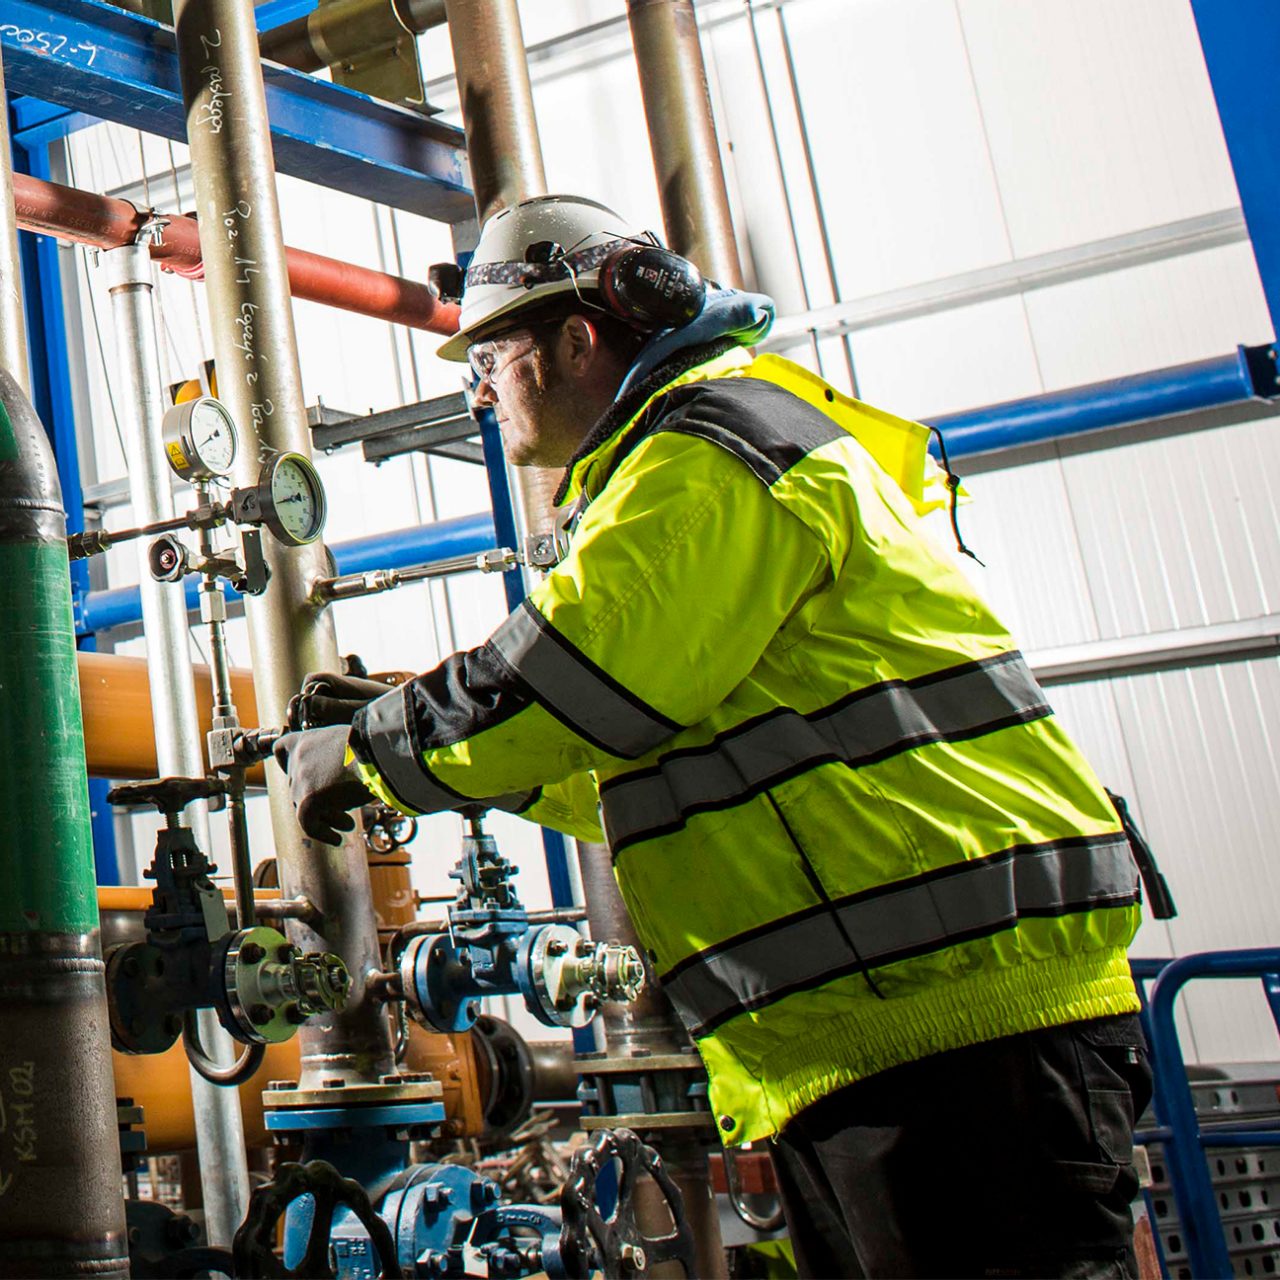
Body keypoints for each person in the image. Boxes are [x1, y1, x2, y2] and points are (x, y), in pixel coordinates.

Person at [275, 194, 1153, 1278]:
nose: (482, 393)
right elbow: (626, 759)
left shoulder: (705, 452)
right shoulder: (694, 461)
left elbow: (565, 683)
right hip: (888, 1035)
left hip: (953, 1036)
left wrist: (368, 753)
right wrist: (428, 731)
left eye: (490, 360)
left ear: (575, 338)